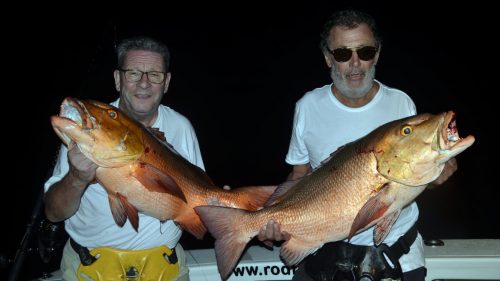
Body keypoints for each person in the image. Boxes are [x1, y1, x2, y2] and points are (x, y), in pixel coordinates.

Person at [258, 9, 457, 281]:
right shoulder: (307, 107)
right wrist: (271, 216)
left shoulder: (401, 104)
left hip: (397, 252)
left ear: (376, 54)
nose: (355, 63)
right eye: (342, 54)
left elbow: (411, 176)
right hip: (326, 254)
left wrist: (436, 174)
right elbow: (299, 174)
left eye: (364, 52)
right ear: (328, 58)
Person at [44, 36, 204, 281]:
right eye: (133, 73)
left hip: (164, 268)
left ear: (167, 82)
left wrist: (219, 211)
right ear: (118, 79)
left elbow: (197, 196)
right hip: (90, 269)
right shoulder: (91, 131)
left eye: (154, 74)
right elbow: (54, 213)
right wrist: (77, 178)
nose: (144, 83)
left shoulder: (181, 127)